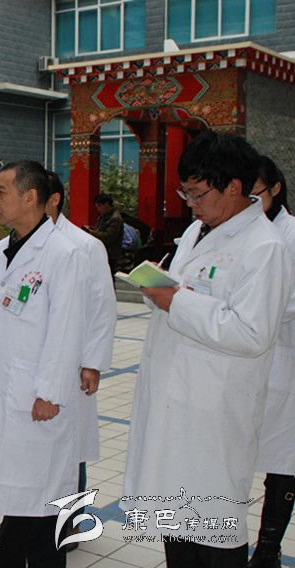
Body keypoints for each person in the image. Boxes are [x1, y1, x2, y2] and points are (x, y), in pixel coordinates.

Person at [122, 131, 295, 568]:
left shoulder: (265, 247)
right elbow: (188, 292)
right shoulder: (198, 231)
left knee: (213, 531)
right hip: (176, 399)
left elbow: (252, 332)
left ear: (233, 187)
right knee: (178, 525)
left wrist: (176, 301)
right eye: (186, 193)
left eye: (197, 194)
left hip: (214, 410)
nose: (190, 204)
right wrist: (159, 288)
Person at [0, 160, 85, 568]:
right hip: (1, 384)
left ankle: (22, 560)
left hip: (36, 393)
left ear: (30, 197)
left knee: (43, 495)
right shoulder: (1, 251)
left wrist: (50, 392)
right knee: (17, 486)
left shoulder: (63, 254)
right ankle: (9, 558)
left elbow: (67, 329)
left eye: (1, 192)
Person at [45, 171, 117, 547]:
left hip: (71, 362)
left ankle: (71, 522)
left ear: (51, 199)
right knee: (32, 445)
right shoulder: (15, 246)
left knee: (71, 447)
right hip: (29, 362)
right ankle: (25, 521)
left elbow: (102, 308)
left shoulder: (86, 246)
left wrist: (92, 362)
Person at [248, 156, 295, 568]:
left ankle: (267, 549)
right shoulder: (240, 233)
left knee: (282, 461)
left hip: (283, 359)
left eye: (254, 195)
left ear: (275, 189)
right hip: (243, 363)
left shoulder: (291, 235)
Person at [83, 193, 123, 275]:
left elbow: (108, 237)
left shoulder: (115, 218)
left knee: (109, 275)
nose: (98, 209)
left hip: (111, 253)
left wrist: (91, 232)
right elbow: (100, 229)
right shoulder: (104, 215)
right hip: (102, 250)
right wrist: (91, 228)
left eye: (99, 206)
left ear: (106, 204)